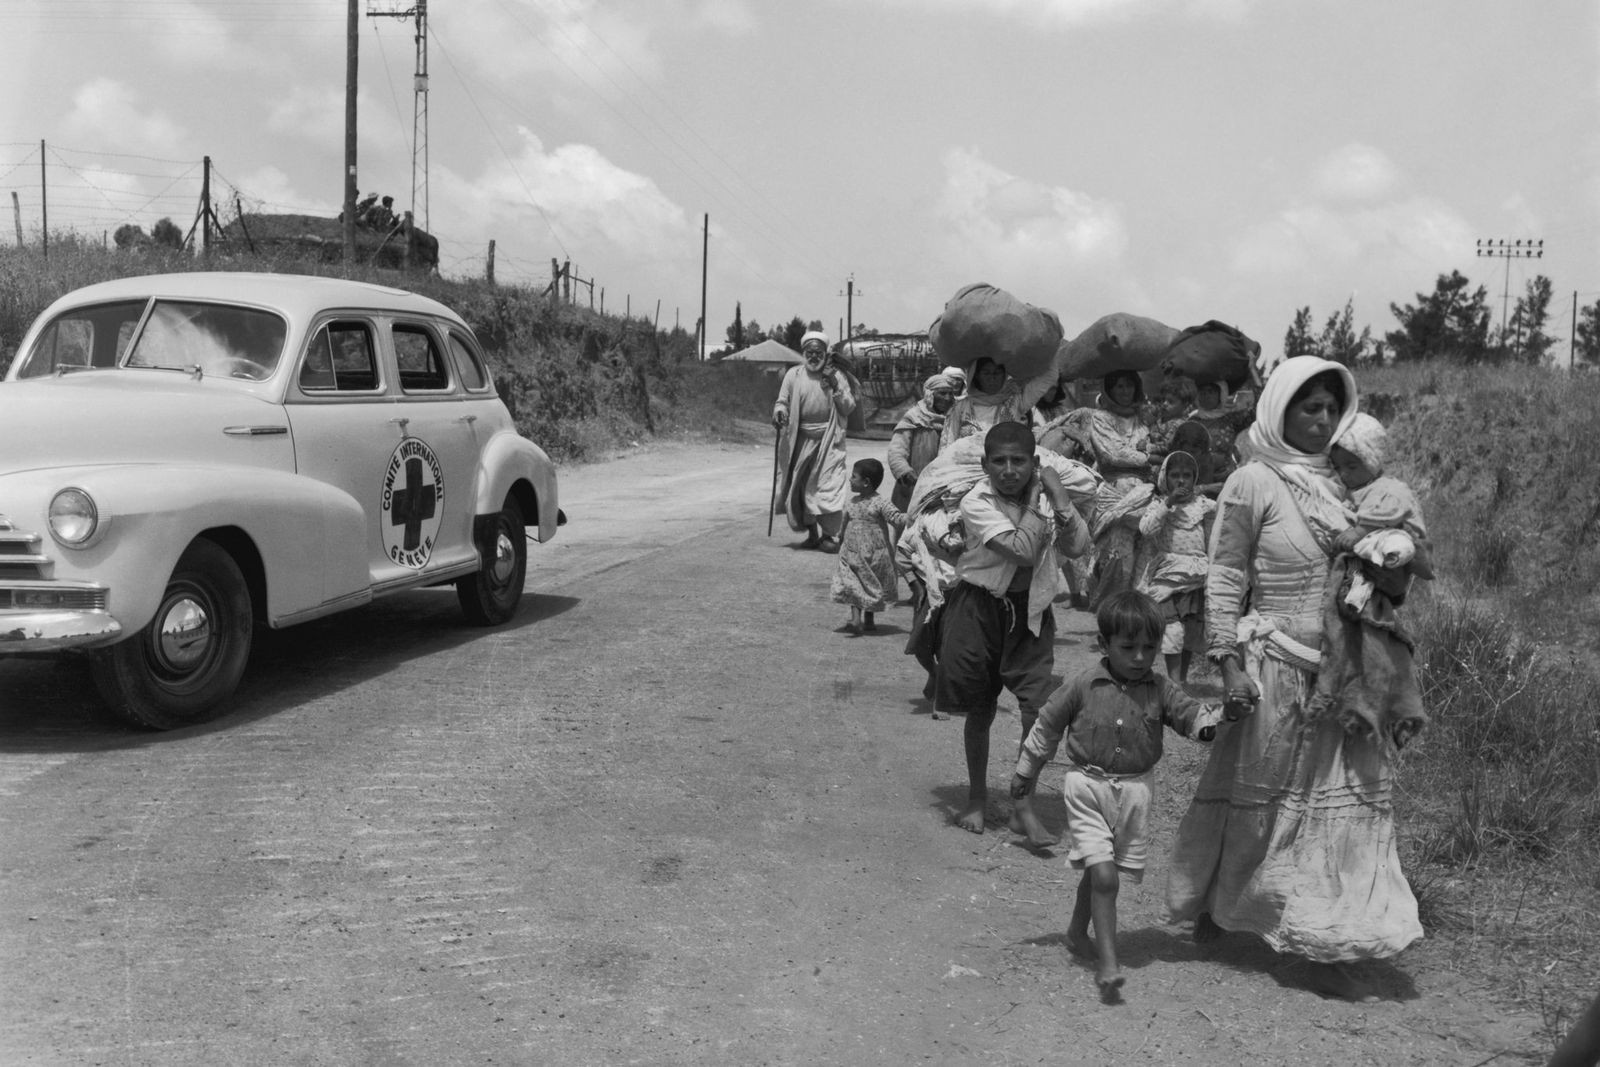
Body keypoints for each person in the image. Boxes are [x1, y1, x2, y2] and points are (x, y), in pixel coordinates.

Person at [1166, 356, 1423, 1003]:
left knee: (1339, 805)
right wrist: (1226, 663)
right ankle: (1219, 903)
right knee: (1255, 802)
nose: (1323, 419)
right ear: (1280, 408)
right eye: (1309, 406)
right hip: (1271, 662)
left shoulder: (1349, 486)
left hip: (1341, 669)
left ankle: (1318, 937)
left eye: (1333, 408)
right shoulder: (1253, 481)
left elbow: (1376, 566)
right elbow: (1224, 575)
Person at [1011, 590, 1218, 1001]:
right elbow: (1046, 728)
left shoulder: (1160, 688)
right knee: (1105, 876)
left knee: (1100, 867)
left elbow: (1191, 715)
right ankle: (1108, 965)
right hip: (1087, 788)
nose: (1140, 657)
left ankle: (1075, 932)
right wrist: (1024, 777)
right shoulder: (1083, 685)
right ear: (1104, 645)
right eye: (1128, 647)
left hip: (1136, 794)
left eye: (1149, 647)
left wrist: (1214, 723)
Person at [935, 421, 1092, 844]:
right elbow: (1023, 551)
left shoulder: (1045, 497)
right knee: (980, 710)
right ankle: (976, 798)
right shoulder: (976, 501)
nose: (1009, 470)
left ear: (1034, 463)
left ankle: (1023, 802)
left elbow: (1078, 546)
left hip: (1031, 614)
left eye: (1018, 461)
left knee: (1037, 712)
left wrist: (1059, 496)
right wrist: (1040, 504)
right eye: (999, 461)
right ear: (985, 464)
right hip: (979, 609)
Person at [1313, 412, 1433, 746]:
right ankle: (1355, 700)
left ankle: (1390, 708)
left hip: (1390, 558)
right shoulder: (1354, 490)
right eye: (1340, 467)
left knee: (1377, 643)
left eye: (1353, 466)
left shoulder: (1389, 489)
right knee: (1354, 635)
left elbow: (1381, 519)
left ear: (1372, 459)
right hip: (1369, 571)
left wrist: (1357, 532)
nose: (1345, 474)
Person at [1138, 450, 1216, 684]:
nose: (1181, 481)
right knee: (1173, 630)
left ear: (1194, 478)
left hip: (1194, 575)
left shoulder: (1204, 507)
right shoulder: (1158, 506)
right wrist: (1168, 503)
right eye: (1175, 476)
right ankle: (1173, 681)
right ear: (1165, 478)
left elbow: (1212, 539)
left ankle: (1181, 681)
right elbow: (1146, 529)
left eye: (1187, 475)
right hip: (1167, 574)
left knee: (1190, 630)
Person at [773, 331, 855, 551]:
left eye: (818, 352)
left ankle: (829, 536)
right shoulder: (794, 375)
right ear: (803, 353)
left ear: (825, 353)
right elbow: (782, 401)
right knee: (802, 486)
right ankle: (812, 534)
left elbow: (848, 406)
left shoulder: (836, 375)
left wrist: (835, 385)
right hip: (801, 439)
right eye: (809, 352)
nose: (814, 357)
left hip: (830, 439)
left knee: (828, 486)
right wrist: (780, 412)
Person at [1086, 370, 1153, 609]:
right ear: (1109, 390)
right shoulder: (1101, 418)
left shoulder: (1145, 417)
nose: (1125, 391)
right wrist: (1148, 456)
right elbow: (1112, 453)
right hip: (1115, 493)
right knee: (1116, 556)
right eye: (1119, 387)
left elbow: (1160, 442)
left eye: (1129, 386)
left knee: (1145, 555)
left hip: (1147, 493)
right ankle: (1112, 611)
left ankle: (1138, 613)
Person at [895, 496, 964, 703]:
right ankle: (935, 673)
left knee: (948, 646)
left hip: (960, 592)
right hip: (929, 591)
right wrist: (915, 586)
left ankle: (940, 698)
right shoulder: (923, 518)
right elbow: (902, 553)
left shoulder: (967, 516)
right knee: (920, 643)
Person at [831, 458, 905, 635]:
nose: (850, 480)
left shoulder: (880, 503)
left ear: (866, 483)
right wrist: (841, 538)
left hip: (874, 555)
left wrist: (911, 516)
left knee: (871, 582)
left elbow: (896, 518)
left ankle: (869, 620)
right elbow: (844, 523)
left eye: (853, 477)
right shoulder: (851, 502)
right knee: (853, 582)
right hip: (851, 553)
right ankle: (857, 619)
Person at [887, 373, 958, 511]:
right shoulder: (914, 418)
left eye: (950, 394)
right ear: (929, 395)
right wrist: (904, 471)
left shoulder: (955, 419)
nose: (947, 398)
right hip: (913, 486)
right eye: (942, 393)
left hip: (946, 487)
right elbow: (897, 450)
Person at [940, 356, 1026, 449]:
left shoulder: (1015, 401)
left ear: (1004, 375)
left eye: (997, 373)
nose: (992, 378)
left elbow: (1043, 380)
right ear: (976, 376)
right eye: (986, 373)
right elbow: (948, 443)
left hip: (1006, 462)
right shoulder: (960, 406)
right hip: (965, 462)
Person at [1145, 376, 1198, 468]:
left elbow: (1168, 446)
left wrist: (1148, 447)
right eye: (1163, 400)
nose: (1165, 404)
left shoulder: (1180, 424)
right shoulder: (1161, 419)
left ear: (1184, 405)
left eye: (1170, 402)